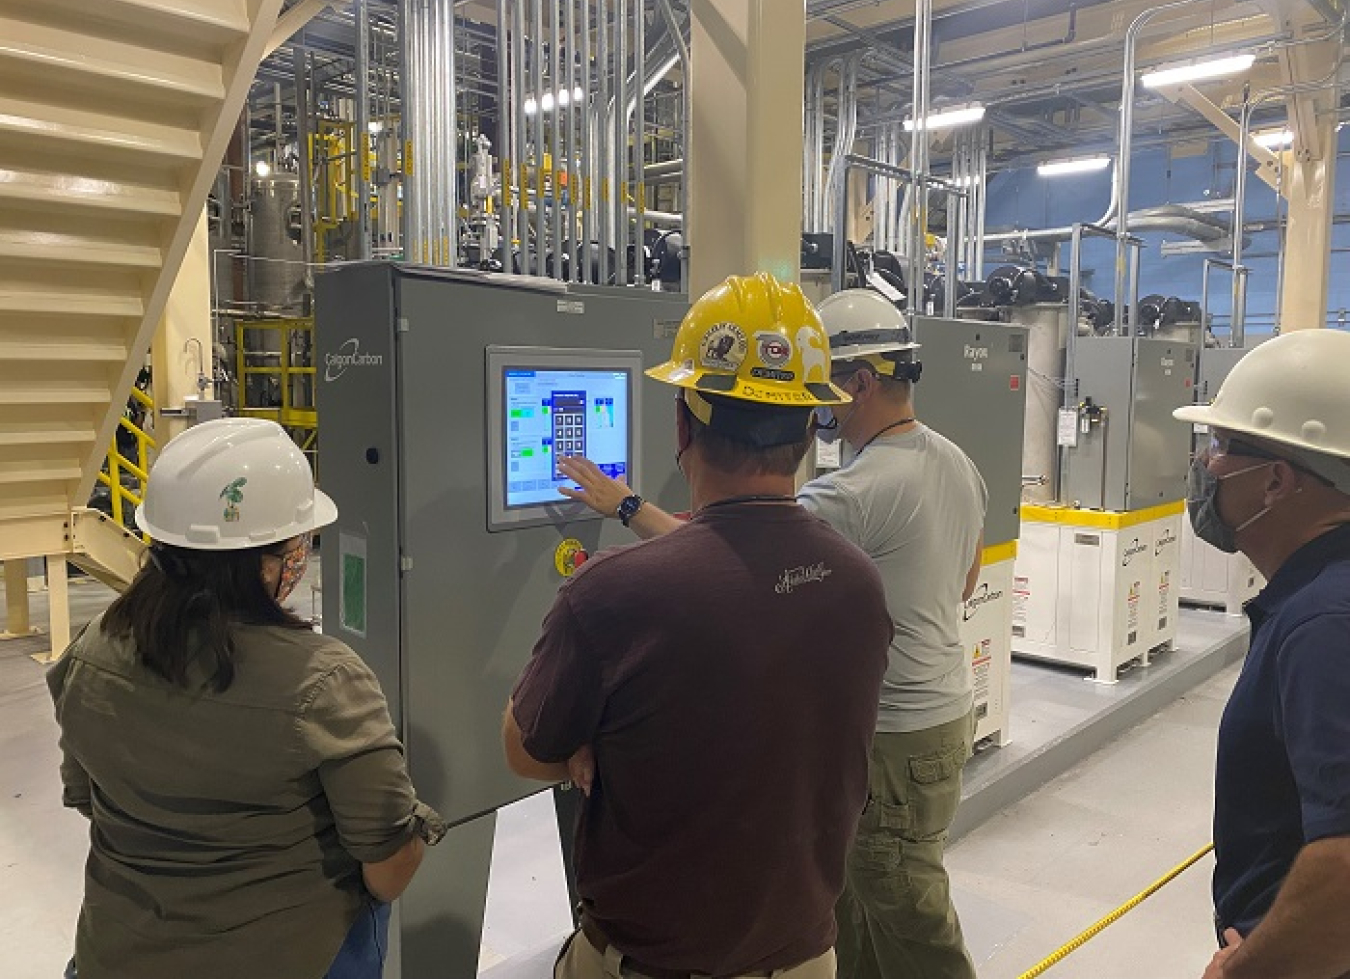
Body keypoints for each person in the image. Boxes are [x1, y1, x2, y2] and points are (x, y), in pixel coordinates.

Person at [560, 287, 987, 979]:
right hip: (945, 713)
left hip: (893, 734)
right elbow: (966, 580)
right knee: (870, 901)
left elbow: (733, 551)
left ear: (861, 382)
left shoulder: (855, 492)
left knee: (906, 910)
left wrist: (626, 504)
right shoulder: (952, 460)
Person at [503, 272, 894, 979]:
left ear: (684, 427)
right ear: (811, 428)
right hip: (804, 959)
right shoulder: (859, 584)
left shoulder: (610, 595)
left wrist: (584, 748)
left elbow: (524, 749)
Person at [48, 418, 444, 979]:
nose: (302, 555)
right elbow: (388, 866)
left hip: (113, 955)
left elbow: (87, 797)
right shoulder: (324, 680)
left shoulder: (91, 650)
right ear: (261, 562)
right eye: (297, 543)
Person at [1171, 330, 1350, 979]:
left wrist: (1247, 967)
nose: (1205, 464)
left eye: (1220, 446)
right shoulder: (1321, 598)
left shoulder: (1323, 624)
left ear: (1275, 479)